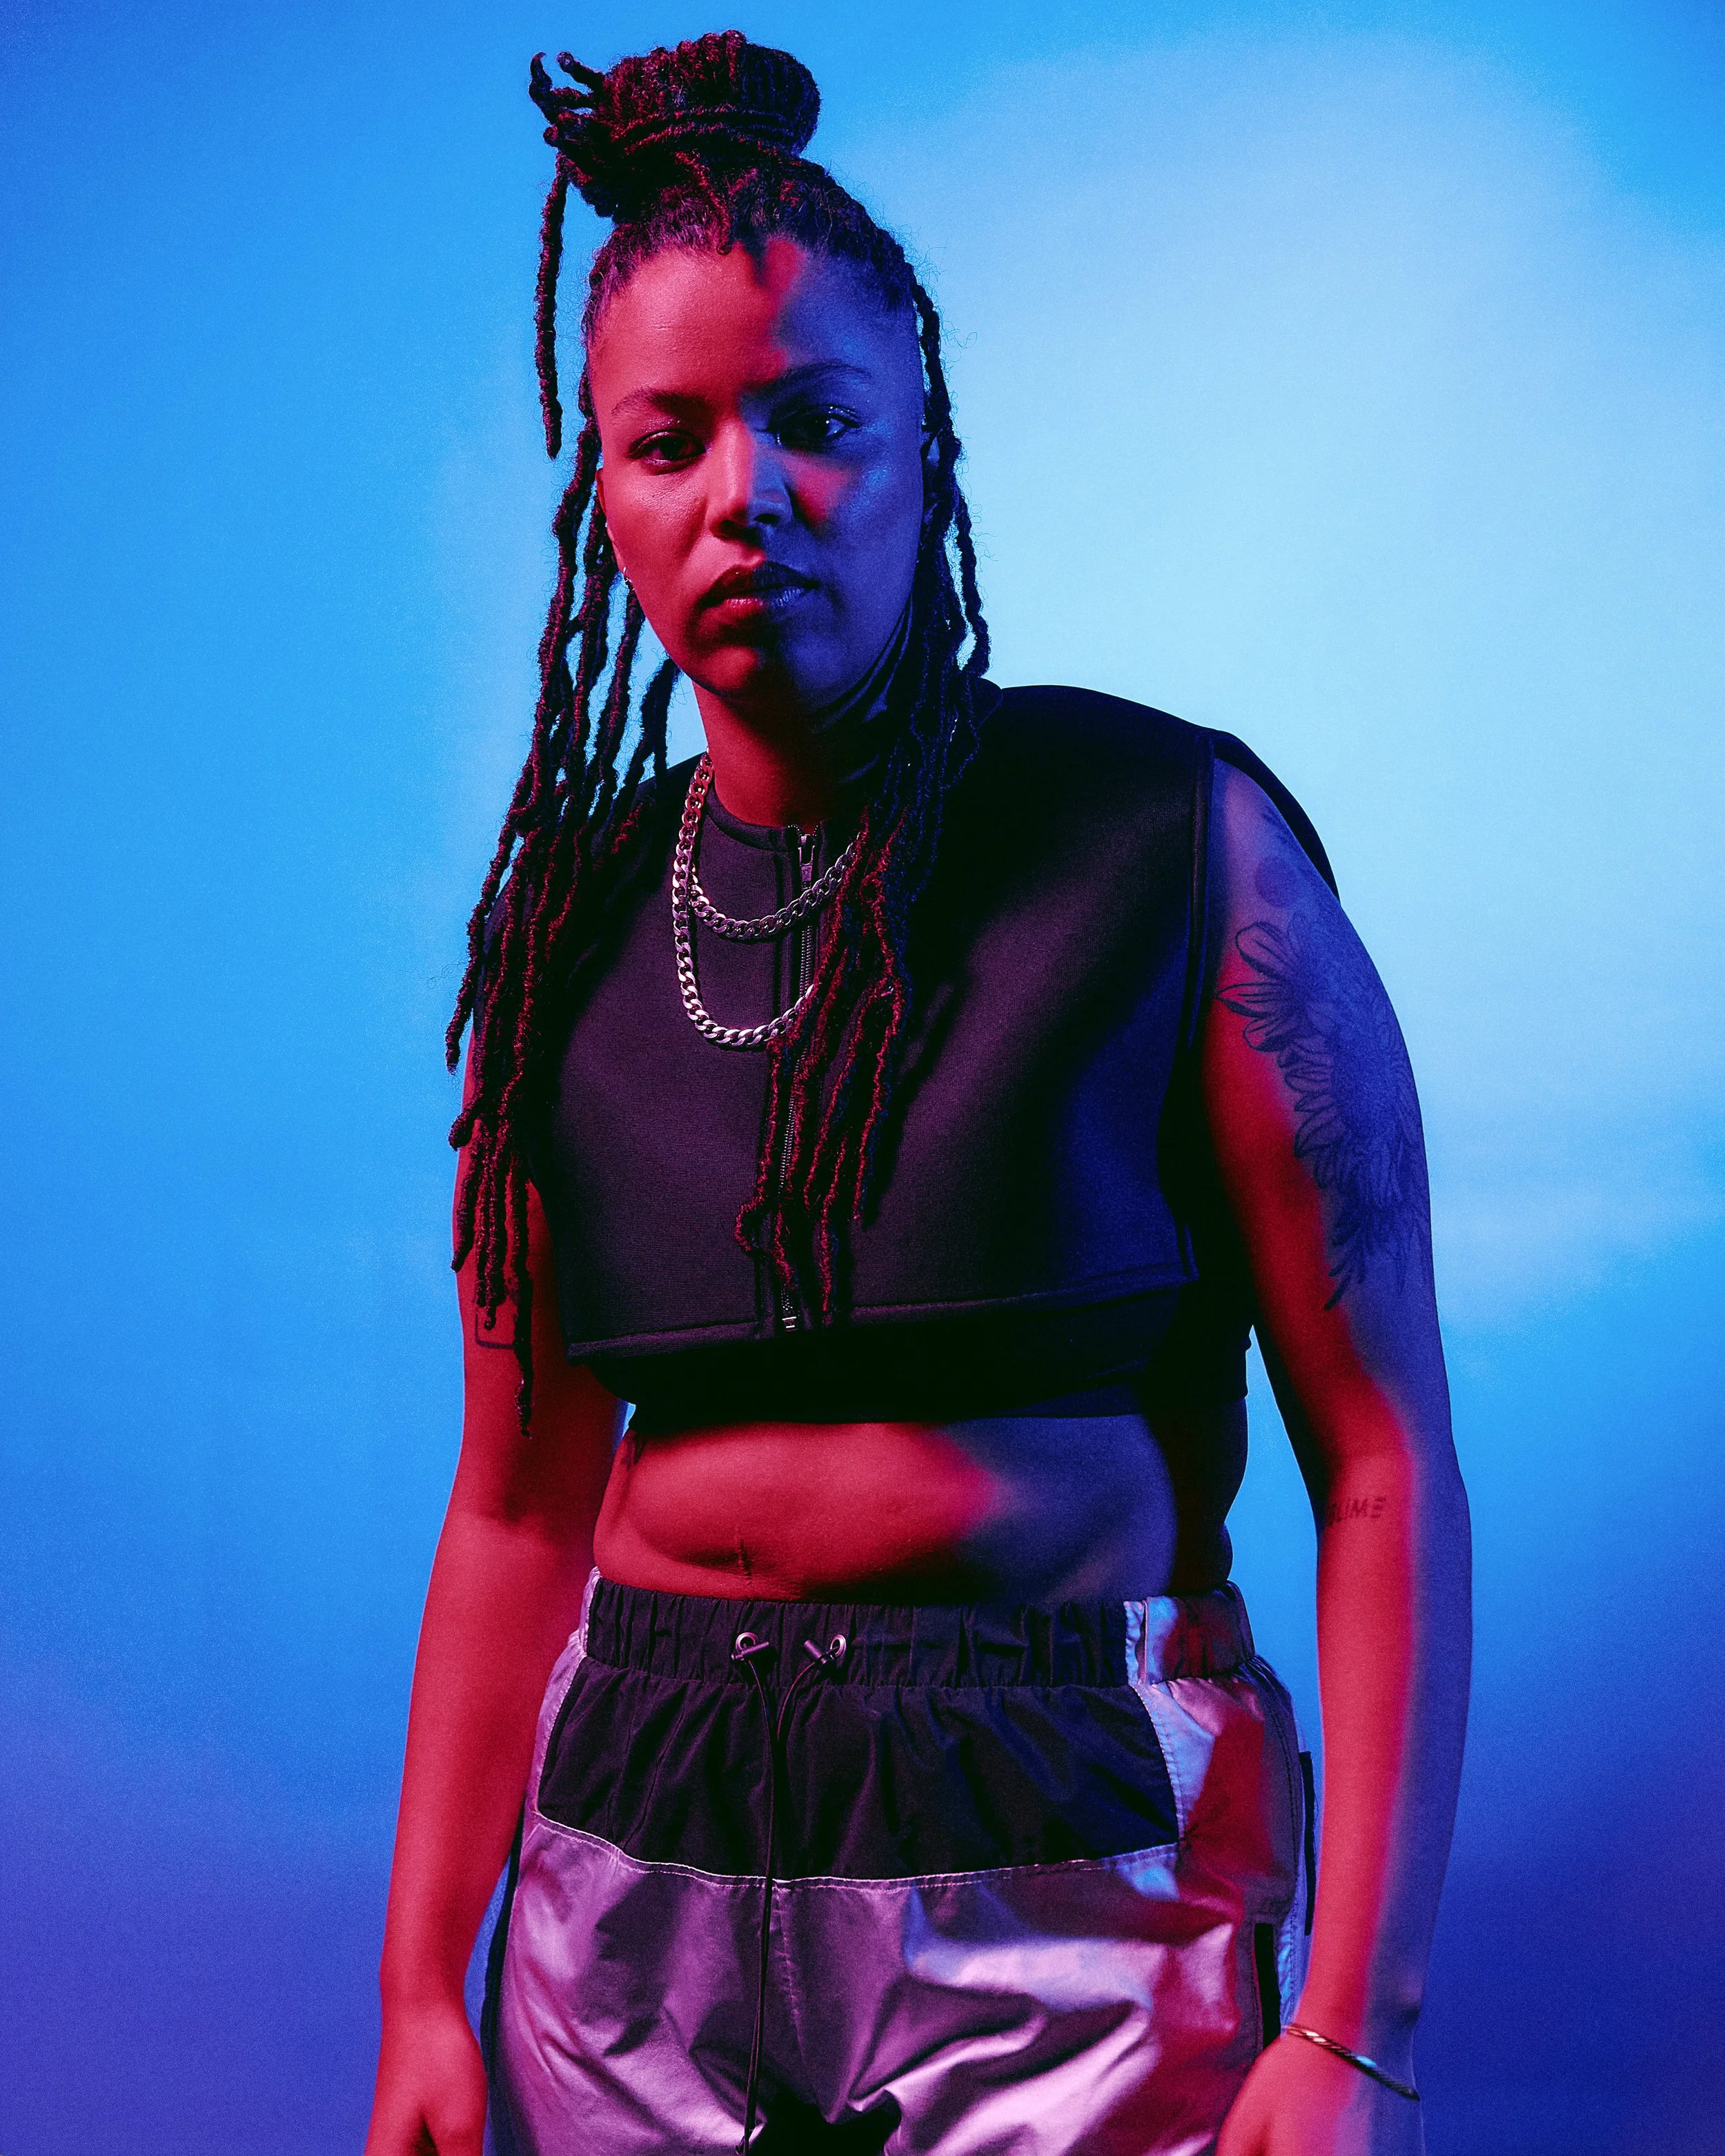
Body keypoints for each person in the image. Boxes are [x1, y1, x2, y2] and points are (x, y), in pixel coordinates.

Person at [364, 30, 1470, 2156]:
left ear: (922, 448)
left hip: (1055, 1849)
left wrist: (1350, 2031)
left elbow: (1379, 1457)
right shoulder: (567, 927)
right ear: (599, 485)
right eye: (664, 440)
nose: (743, 493)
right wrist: (423, 1976)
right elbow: (511, 1504)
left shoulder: (1168, 838)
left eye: (815, 421)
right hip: (631, 1844)